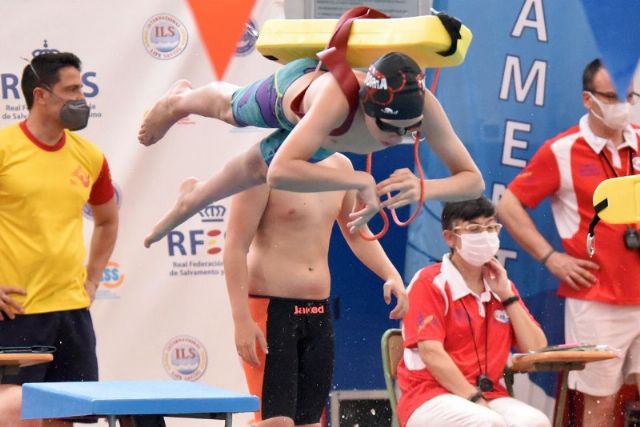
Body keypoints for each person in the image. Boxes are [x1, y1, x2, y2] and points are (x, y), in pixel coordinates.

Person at [138, 51, 484, 247]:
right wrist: (358, 180)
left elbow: (473, 182)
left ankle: (192, 199)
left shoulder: (426, 109)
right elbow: (282, 173)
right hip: (292, 100)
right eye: (389, 128)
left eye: (409, 130)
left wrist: (425, 187)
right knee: (231, 111)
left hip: (326, 139)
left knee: (252, 170)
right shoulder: (338, 99)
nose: (397, 137)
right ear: (367, 104)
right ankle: (178, 101)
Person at [496, 58, 640, 427]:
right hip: (596, 298)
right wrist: (550, 257)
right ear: (588, 99)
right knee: (600, 403)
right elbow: (508, 205)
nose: (623, 105)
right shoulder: (562, 151)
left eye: (629, 96)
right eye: (612, 97)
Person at [224, 152, 408, 427]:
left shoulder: (340, 167)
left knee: (309, 422)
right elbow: (234, 247)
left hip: (317, 312)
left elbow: (357, 231)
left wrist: (390, 273)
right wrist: (241, 320)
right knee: (275, 423)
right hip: (270, 310)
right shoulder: (264, 165)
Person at [0, 52, 118, 427]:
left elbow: (107, 220)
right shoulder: (4, 149)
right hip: (18, 311)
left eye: (81, 88)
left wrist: (94, 278)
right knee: (15, 416)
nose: (81, 98)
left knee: (66, 418)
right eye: (71, 89)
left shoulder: (90, 156)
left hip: (71, 312)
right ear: (41, 95)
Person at [397, 197, 550, 427]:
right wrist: (474, 398)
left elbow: (536, 350)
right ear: (450, 237)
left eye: (490, 227)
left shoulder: (500, 285)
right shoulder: (429, 283)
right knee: (488, 422)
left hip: (490, 395)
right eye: (474, 229)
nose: (485, 235)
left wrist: (508, 297)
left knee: (535, 422)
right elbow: (431, 353)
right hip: (429, 396)